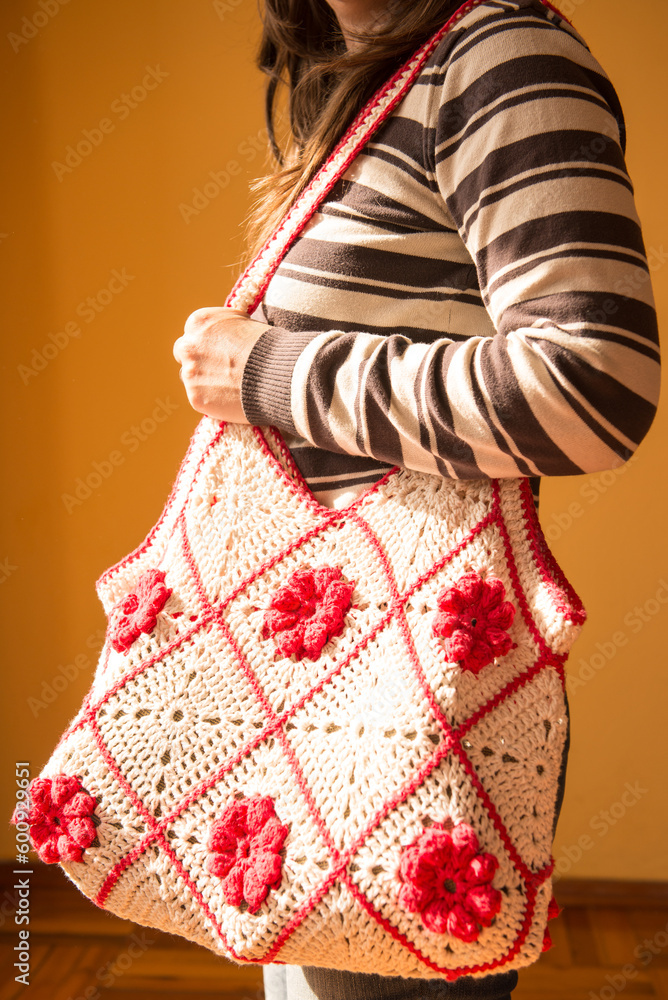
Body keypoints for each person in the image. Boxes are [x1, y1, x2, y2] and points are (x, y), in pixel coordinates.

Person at [173, 0, 660, 996]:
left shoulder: (497, 52)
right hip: (326, 699)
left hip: (400, 715)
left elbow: (593, 387)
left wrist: (270, 371)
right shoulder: (363, 75)